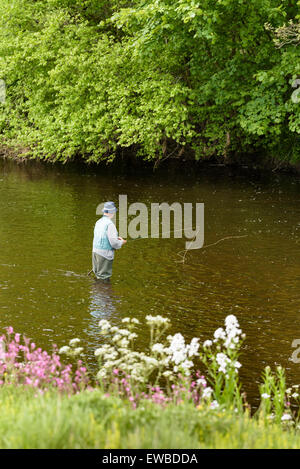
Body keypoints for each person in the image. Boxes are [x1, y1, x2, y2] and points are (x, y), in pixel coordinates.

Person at [92, 201, 126, 282]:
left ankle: (96, 293)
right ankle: (104, 294)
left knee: (98, 275)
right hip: (104, 254)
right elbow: (114, 243)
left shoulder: (98, 222)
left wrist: (116, 238)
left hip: (95, 252)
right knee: (104, 278)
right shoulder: (110, 224)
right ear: (112, 212)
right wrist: (122, 242)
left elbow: (101, 236)